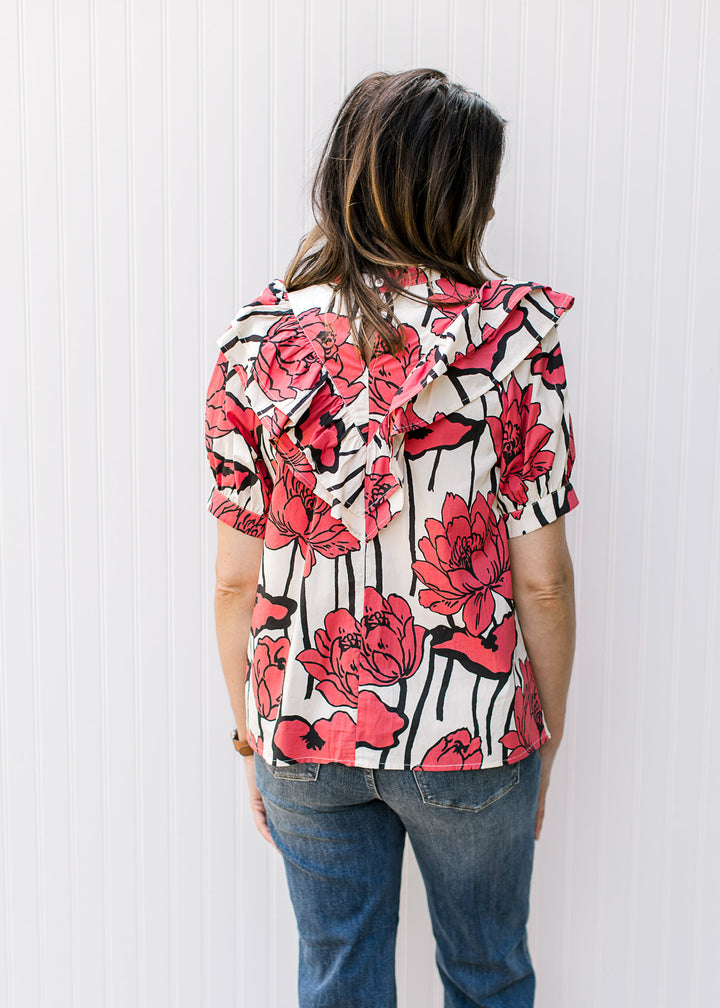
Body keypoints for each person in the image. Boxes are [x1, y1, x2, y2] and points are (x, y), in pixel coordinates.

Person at [206, 68, 577, 1008]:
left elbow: (234, 584)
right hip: (476, 726)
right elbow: (543, 583)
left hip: (304, 725)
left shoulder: (256, 338)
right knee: (489, 973)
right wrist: (545, 736)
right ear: (463, 194)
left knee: (337, 979)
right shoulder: (512, 335)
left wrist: (253, 733)